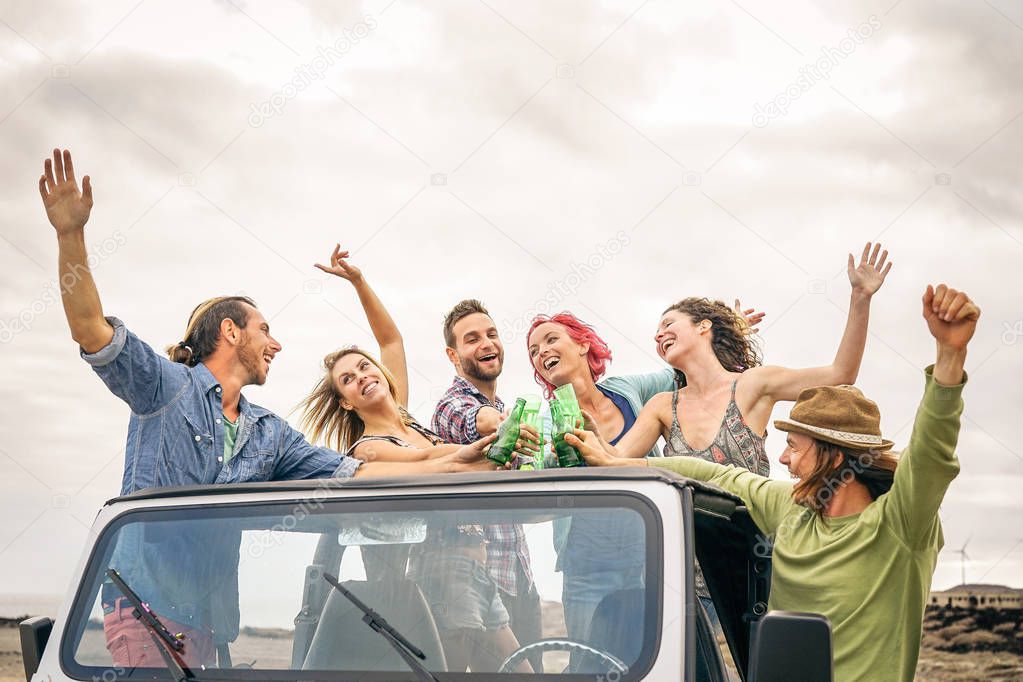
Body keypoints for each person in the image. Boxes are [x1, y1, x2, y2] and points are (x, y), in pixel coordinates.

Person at [37, 149, 487, 670]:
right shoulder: (165, 388)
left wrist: (448, 463)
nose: (276, 345)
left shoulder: (268, 433)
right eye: (265, 330)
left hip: (210, 623)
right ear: (231, 332)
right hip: (145, 609)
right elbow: (93, 331)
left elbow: (356, 472)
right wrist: (70, 234)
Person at [570, 283, 978, 682]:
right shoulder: (790, 508)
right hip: (684, 578)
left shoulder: (900, 524)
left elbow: (930, 453)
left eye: (794, 447)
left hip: (735, 575)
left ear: (834, 456)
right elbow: (714, 475)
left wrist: (948, 356)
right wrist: (610, 457)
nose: (782, 458)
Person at [297, 249, 527, 673]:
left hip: (477, 567)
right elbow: (430, 461)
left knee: (519, 670)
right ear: (346, 403)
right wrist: (490, 452)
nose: (363, 376)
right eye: (348, 379)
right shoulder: (369, 448)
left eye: (365, 367)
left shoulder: (403, 417)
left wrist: (358, 282)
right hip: (435, 572)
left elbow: (390, 341)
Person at [524, 305, 760, 665]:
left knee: (662, 660)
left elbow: (691, 370)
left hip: (651, 556)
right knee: (590, 664)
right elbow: (537, 486)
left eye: (551, 340)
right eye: (534, 351)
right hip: (588, 567)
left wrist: (725, 332)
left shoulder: (629, 391)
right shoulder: (544, 421)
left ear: (583, 345)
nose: (542, 352)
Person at [431, 299, 543, 670]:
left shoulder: (510, 407)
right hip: (478, 582)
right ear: (453, 354)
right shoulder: (451, 405)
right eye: (472, 338)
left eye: (492, 334)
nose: (487, 344)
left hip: (519, 574)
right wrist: (499, 422)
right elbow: (475, 418)